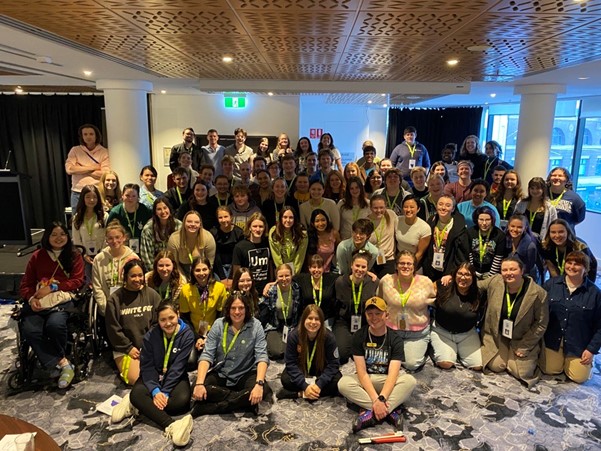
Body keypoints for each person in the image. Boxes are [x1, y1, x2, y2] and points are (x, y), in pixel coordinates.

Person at [110, 302, 194, 448]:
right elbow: (147, 367)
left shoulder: (187, 334)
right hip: (153, 374)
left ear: (178, 315)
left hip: (174, 375)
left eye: (171, 318)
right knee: (136, 394)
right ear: (158, 320)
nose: (168, 323)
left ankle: (138, 406)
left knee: (180, 403)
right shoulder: (150, 336)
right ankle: (171, 425)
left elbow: (178, 367)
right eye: (163, 320)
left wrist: (165, 392)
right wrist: (155, 391)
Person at [19, 222, 85, 388]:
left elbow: (77, 281)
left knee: (55, 325)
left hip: (60, 300)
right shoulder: (37, 256)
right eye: (54, 234)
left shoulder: (74, 255)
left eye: (62, 234)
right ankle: (62, 363)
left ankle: (53, 362)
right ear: (47, 236)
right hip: (39, 301)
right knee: (29, 329)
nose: (58, 238)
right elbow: (25, 284)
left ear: (67, 236)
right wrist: (31, 299)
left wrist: (53, 287)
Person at [338, 296, 417, 433]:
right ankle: (389, 411)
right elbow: (361, 373)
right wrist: (376, 400)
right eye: (370, 314)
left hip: (386, 380)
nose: (374, 318)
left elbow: (393, 375)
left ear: (387, 315)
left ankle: (372, 413)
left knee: (409, 381)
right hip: (367, 379)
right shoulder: (358, 336)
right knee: (343, 383)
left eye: (378, 313)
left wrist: (382, 397)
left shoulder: (395, 339)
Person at [191, 293, 271, 416]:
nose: (237, 312)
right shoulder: (218, 324)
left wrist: (259, 384)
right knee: (196, 386)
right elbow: (207, 355)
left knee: (263, 389)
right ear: (228, 310)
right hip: (222, 373)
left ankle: (214, 407)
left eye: (241, 308)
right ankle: (243, 401)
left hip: (245, 373)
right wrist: (200, 383)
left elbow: (262, 357)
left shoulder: (256, 326)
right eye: (233, 308)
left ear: (247, 309)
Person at [479, 257, 549, 388]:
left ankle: (516, 353)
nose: (508, 273)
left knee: (519, 371)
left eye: (513, 269)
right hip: (498, 335)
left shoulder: (538, 293)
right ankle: (505, 352)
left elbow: (541, 323)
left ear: (522, 271)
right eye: (504, 270)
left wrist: (525, 345)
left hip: (522, 338)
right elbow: (476, 286)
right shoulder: (495, 281)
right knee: (496, 366)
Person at [542, 251, 601, 383]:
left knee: (578, 377)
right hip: (553, 341)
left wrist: (591, 350)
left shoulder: (595, 293)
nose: (572, 267)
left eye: (577, 264)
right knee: (550, 370)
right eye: (569, 263)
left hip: (578, 344)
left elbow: (600, 326)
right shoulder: (550, 285)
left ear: (585, 269)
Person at [105, 259, 161, 385]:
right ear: (125, 277)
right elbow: (113, 329)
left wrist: (148, 345)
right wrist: (128, 348)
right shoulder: (114, 300)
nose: (137, 279)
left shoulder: (152, 295)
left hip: (149, 346)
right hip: (125, 348)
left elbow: (157, 324)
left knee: (160, 375)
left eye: (140, 275)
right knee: (137, 380)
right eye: (133, 276)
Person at [378, 251, 435, 371]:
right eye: (402, 263)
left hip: (417, 334)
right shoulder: (386, 281)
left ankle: (422, 348)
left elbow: (437, 299)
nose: (406, 266)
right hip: (391, 331)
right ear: (396, 266)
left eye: (409, 264)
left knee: (412, 364)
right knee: (382, 361)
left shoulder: (426, 282)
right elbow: (379, 301)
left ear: (414, 266)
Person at [278, 305, 342, 400]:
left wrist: (319, 385)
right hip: (302, 369)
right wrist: (305, 386)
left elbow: (334, 364)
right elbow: (290, 364)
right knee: (285, 379)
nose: (313, 322)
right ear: (304, 319)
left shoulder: (329, 337)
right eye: (310, 318)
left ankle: (300, 394)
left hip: (320, 369)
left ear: (321, 322)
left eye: (317, 319)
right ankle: (314, 393)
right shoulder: (294, 336)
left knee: (338, 379)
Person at [432, 263, 483, 370]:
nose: (463, 277)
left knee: (477, 365)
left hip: (467, 334)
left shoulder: (479, 294)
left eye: (467, 275)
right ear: (454, 275)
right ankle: (438, 350)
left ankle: (456, 351)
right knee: (446, 363)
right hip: (442, 332)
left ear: (473, 277)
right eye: (460, 273)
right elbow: (426, 292)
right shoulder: (444, 285)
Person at [333, 251, 379, 364]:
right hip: (344, 322)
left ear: (368, 269)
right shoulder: (340, 282)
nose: (360, 269)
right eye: (357, 266)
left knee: (367, 357)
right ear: (351, 266)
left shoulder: (373, 282)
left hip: (364, 323)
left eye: (363, 267)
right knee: (342, 356)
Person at [179, 257, 227, 359]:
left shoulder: (219, 288)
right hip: (193, 332)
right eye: (197, 270)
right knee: (191, 362)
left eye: (204, 269)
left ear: (209, 269)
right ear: (192, 271)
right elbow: (185, 318)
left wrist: (209, 336)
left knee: (217, 359)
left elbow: (221, 316)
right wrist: (197, 338)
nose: (201, 273)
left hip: (214, 331)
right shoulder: (185, 290)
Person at [92, 220, 139, 316]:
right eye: (110, 238)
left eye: (117, 237)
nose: (114, 241)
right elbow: (97, 288)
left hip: (130, 308)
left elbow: (137, 284)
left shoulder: (133, 258)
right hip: (108, 309)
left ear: (124, 238)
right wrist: (107, 309)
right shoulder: (99, 259)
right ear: (106, 240)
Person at [422, 195, 469, 282]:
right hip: (431, 269)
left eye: (448, 205)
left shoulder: (459, 227)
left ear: (453, 208)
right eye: (440, 204)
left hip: (449, 272)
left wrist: (452, 273)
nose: (443, 208)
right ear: (436, 206)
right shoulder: (430, 221)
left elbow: (461, 254)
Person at [260, 264, 302, 359]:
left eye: (287, 275)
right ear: (276, 277)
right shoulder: (270, 291)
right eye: (281, 276)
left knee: (300, 348)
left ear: (291, 276)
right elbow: (262, 312)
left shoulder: (297, 289)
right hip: (275, 326)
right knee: (277, 352)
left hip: (292, 325)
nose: (284, 279)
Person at [65, 124, 110, 210]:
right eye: (85, 134)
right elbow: (70, 170)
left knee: (98, 220)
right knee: (77, 220)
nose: (88, 136)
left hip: (97, 191)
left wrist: (79, 168)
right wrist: (94, 167)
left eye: (91, 134)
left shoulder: (104, 152)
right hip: (77, 192)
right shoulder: (75, 150)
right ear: (81, 136)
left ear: (96, 135)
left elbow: (105, 174)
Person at [71, 184, 107, 282]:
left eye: (94, 197)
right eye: (88, 197)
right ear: (83, 198)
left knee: (102, 280)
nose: (91, 200)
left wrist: (102, 253)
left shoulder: (104, 216)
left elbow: (106, 237)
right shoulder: (77, 218)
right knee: (89, 282)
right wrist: (84, 255)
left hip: (102, 254)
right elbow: (76, 239)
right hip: (85, 256)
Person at [167, 210, 216, 279]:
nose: (193, 224)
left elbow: (210, 264)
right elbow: (174, 264)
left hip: (202, 271)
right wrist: (183, 279)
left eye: (196, 222)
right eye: (189, 221)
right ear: (184, 223)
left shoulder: (208, 237)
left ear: (200, 224)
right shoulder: (174, 238)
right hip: (181, 271)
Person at [232, 212, 272, 296]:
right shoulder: (240, 247)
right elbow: (236, 273)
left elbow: (271, 268)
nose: (258, 229)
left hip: (266, 291)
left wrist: (271, 284)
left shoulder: (269, 244)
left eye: (261, 226)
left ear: (265, 228)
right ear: (249, 227)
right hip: (247, 292)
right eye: (254, 226)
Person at [107, 183, 153, 253]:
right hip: (121, 250)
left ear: (138, 197)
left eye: (134, 196)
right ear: (122, 196)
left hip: (143, 249)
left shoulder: (144, 210)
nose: (130, 199)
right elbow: (108, 233)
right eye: (127, 195)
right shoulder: (115, 212)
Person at [294, 255, 338, 326]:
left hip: (326, 319)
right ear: (309, 268)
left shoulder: (330, 278)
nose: (316, 270)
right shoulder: (303, 279)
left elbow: (346, 278)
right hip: (308, 318)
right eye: (314, 267)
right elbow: (287, 278)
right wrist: (270, 284)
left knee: (326, 335)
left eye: (319, 267)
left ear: (323, 268)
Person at [140, 197, 182, 271]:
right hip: (155, 270)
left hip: (176, 268)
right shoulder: (148, 229)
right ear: (155, 212)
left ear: (169, 209)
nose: (163, 211)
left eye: (165, 208)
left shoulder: (179, 226)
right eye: (159, 209)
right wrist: (155, 272)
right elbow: (146, 257)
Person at [467, 206, 505, 280]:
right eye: (481, 219)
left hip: (491, 274)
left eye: (487, 220)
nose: (484, 223)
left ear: (492, 220)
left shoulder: (499, 235)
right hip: (473, 272)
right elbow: (469, 254)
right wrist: (472, 272)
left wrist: (489, 278)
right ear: (476, 219)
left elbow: (498, 258)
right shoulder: (470, 232)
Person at [514, 177, 557, 241]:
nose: (535, 191)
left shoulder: (550, 208)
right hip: (521, 240)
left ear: (543, 189)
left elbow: (554, 227)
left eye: (538, 188)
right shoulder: (521, 203)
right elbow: (514, 220)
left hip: (540, 243)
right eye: (532, 188)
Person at [211, 206, 244, 288]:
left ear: (231, 217)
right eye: (220, 217)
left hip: (234, 266)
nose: (223, 220)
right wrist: (222, 277)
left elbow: (238, 257)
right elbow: (216, 255)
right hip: (218, 267)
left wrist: (231, 277)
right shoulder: (213, 232)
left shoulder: (239, 233)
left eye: (226, 216)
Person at [268, 206, 308, 275]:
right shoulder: (274, 232)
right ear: (280, 218)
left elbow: (299, 257)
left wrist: (292, 274)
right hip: (280, 272)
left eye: (291, 217)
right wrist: (284, 274)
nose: (288, 220)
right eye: (285, 217)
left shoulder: (302, 233)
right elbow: (277, 257)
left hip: (296, 272)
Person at [395, 195, 431, 268]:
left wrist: (409, 266)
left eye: (412, 207)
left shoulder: (424, 228)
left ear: (418, 209)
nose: (408, 210)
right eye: (405, 207)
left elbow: (420, 254)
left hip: (414, 263)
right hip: (398, 260)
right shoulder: (397, 220)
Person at [367, 194, 397, 278]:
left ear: (386, 206)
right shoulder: (366, 221)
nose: (379, 210)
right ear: (370, 208)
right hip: (371, 261)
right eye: (375, 208)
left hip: (388, 260)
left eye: (381, 207)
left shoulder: (391, 215)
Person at [505, 215, 543, 282]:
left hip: (523, 280)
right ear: (508, 226)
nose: (515, 230)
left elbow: (529, 271)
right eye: (512, 226)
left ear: (525, 228)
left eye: (519, 227)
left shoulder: (530, 247)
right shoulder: (504, 240)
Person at [306, 209, 340, 273]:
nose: (321, 223)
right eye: (317, 221)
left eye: (323, 220)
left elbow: (340, 251)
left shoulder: (334, 233)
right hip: (315, 272)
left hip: (331, 271)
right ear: (312, 223)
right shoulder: (309, 237)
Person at [338, 176, 371, 241]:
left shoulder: (368, 204)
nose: (354, 190)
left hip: (362, 241)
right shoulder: (342, 203)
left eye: (357, 187)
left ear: (361, 188)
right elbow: (337, 224)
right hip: (345, 241)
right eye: (351, 188)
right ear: (348, 190)